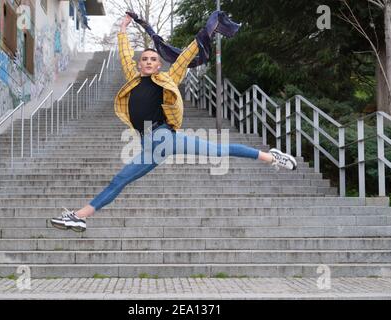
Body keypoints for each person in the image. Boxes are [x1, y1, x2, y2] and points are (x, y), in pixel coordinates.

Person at [50, 14, 297, 232]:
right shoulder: (133, 80)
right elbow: (125, 55)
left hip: (164, 137)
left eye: (152, 59)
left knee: (219, 151)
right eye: (144, 59)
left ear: (159, 65)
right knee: (120, 180)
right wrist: (123, 29)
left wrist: (206, 31)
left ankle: (273, 157)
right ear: (139, 64)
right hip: (149, 145)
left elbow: (186, 56)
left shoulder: (168, 79)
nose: (147, 61)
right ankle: (79, 217)